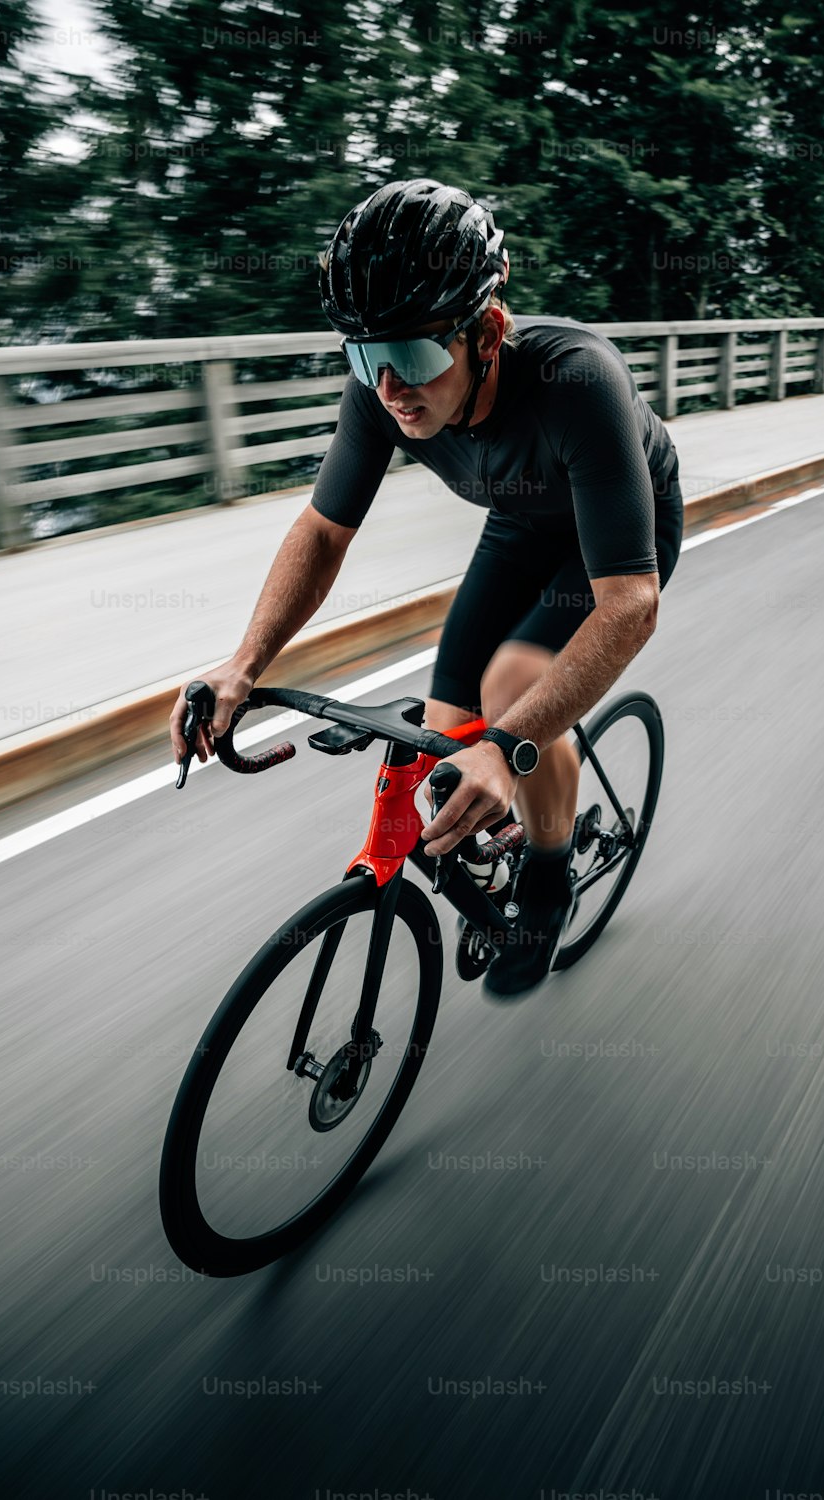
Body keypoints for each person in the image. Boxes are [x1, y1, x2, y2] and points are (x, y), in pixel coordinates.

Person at [171, 178, 682, 996]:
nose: (389, 389)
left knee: (515, 692)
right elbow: (322, 532)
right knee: (448, 727)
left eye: (408, 357)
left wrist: (510, 747)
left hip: (620, 540)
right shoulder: (384, 392)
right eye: (364, 358)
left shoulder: (578, 382)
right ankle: (502, 834)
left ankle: (548, 883)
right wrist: (243, 663)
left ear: (488, 331)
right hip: (521, 524)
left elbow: (630, 604)